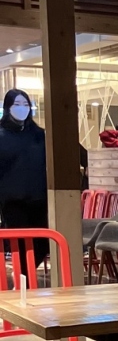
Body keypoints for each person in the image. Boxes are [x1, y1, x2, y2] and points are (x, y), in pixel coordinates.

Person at [0, 90, 48, 259]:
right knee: (19, 243)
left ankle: (25, 273)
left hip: (39, 199)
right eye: (17, 104)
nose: (22, 108)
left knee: (42, 244)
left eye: (26, 104)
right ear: (8, 107)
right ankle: (23, 273)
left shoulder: (39, 135)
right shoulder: (2, 135)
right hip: (12, 201)